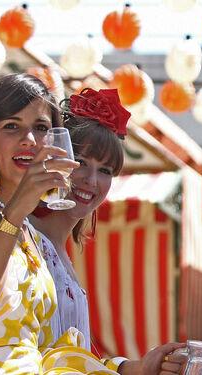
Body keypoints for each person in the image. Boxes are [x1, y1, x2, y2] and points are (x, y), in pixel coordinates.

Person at [29, 87, 185, 374]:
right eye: (81, 163)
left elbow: (76, 359)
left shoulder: (61, 252)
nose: (91, 180)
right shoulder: (23, 238)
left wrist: (139, 367)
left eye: (105, 171)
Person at [0, 73, 105, 373]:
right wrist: (16, 210)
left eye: (41, 128)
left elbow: (44, 345)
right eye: (11, 126)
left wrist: (128, 367)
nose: (29, 140)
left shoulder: (31, 233)